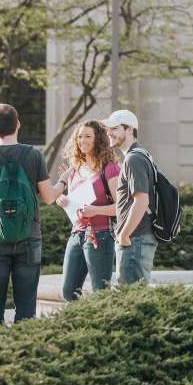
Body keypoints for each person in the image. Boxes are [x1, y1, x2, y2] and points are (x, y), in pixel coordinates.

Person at [0, 103, 68, 326]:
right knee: (26, 311)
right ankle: (24, 357)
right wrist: (63, 180)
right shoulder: (34, 155)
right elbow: (49, 197)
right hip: (29, 239)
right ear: (18, 125)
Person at [55, 119, 121, 300]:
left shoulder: (110, 168)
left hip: (100, 236)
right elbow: (75, 206)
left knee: (101, 292)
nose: (82, 141)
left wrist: (96, 211)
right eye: (79, 137)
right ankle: (80, 326)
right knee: (69, 291)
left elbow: (121, 207)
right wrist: (64, 202)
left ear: (98, 139)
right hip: (76, 235)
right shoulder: (74, 170)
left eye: (87, 136)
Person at [103, 109, 157, 285]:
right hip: (137, 237)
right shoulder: (140, 155)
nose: (109, 133)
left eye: (114, 128)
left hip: (135, 237)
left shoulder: (134, 159)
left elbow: (141, 200)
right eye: (108, 128)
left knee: (131, 295)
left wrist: (124, 234)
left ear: (129, 130)